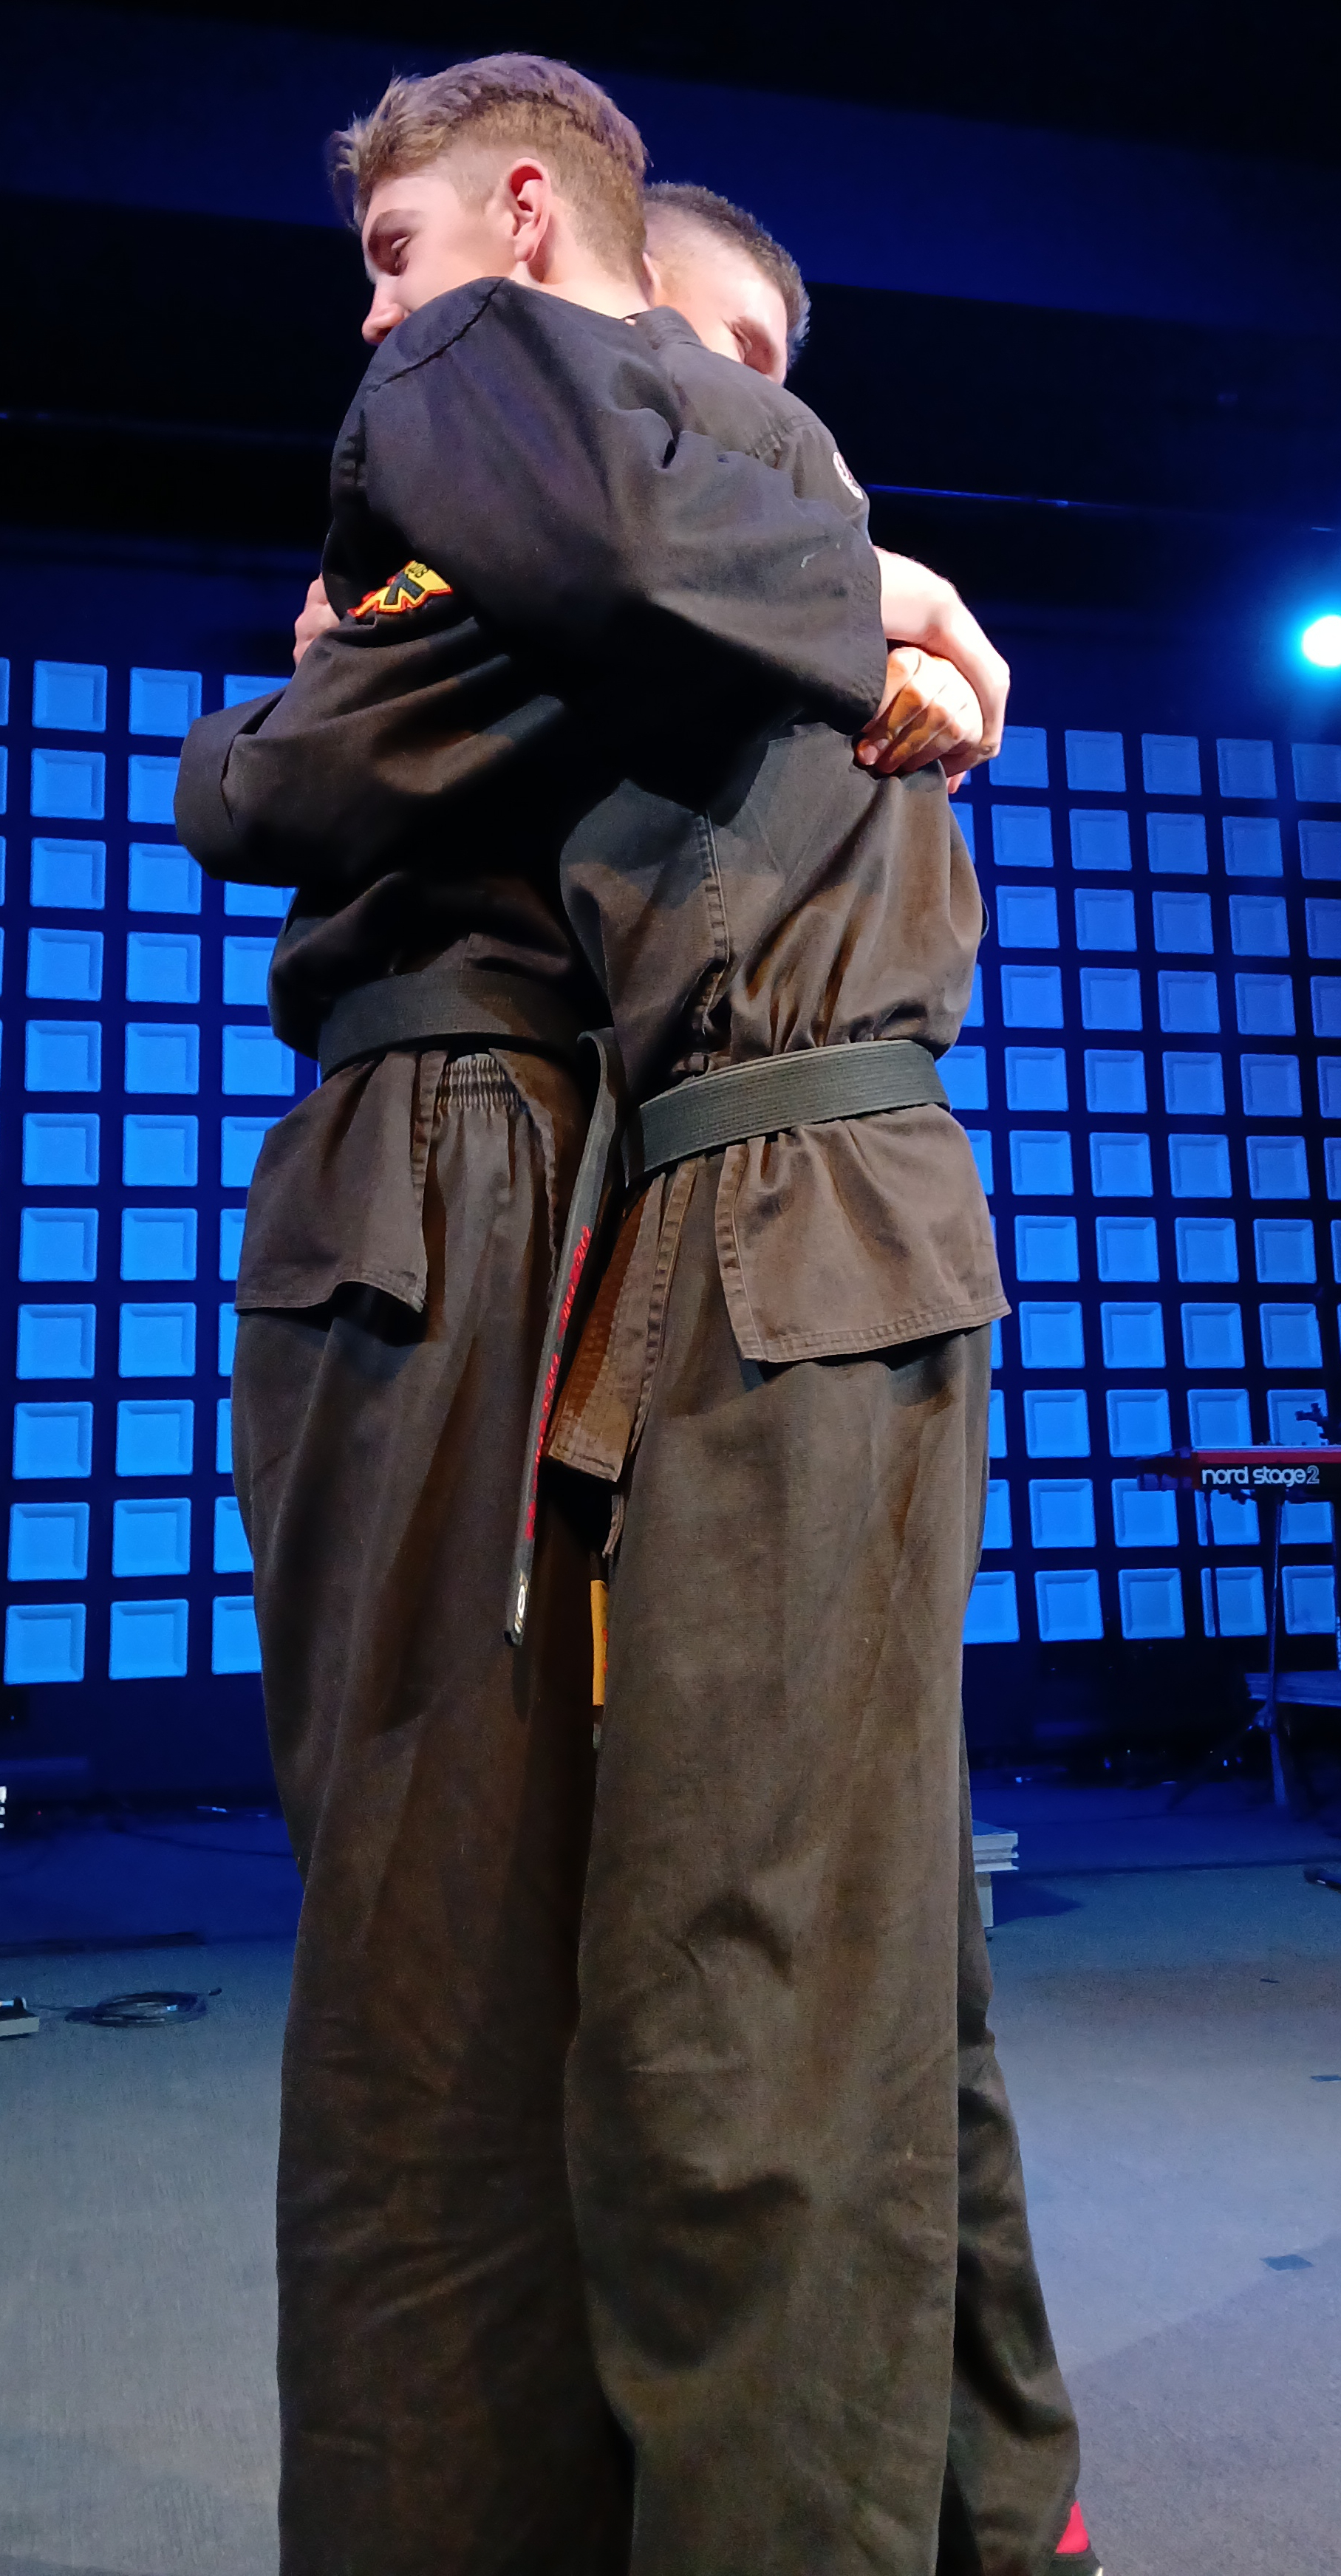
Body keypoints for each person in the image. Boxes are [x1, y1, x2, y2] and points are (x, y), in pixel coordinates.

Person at [181, 64, 1099, 2576]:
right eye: (689, 349)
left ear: (523, 235)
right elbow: (348, 750)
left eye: (757, 360)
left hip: (725, 1217)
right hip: (638, 1203)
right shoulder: (671, 540)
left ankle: (908, 2496)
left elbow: (298, 777)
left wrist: (276, 729)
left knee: (733, 1966)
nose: (719, 395)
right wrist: (871, 595)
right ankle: (974, 2498)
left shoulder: (636, 489)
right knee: (761, 1947)